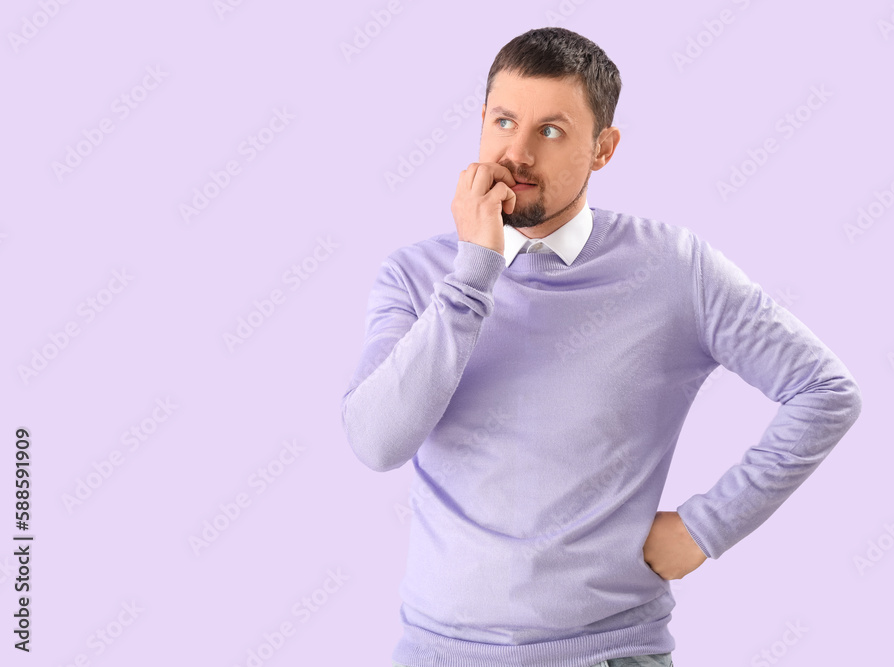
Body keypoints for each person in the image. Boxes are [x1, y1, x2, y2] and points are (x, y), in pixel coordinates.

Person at [341, 26, 862, 667]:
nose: (518, 152)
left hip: (606, 655)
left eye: (551, 131)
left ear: (603, 149)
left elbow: (825, 390)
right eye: (503, 121)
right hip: (435, 656)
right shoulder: (416, 276)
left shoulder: (674, 267)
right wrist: (474, 271)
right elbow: (375, 443)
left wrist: (707, 528)